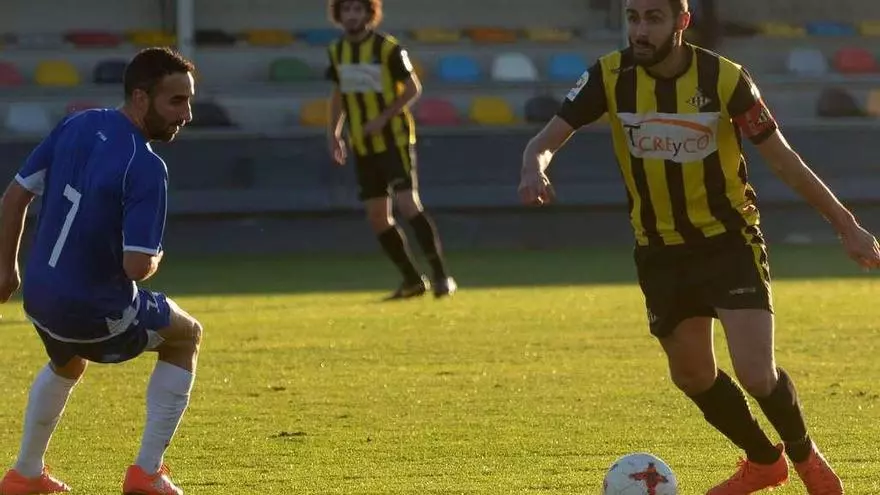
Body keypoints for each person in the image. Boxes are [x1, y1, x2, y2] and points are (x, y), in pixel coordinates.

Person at [518, 0, 880, 493]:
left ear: (682, 22)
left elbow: (784, 160)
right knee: (691, 375)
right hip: (660, 250)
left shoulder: (725, 79)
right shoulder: (608, 76)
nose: (640, 30)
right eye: (633, 18)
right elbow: (544, 139)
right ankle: (763, 462)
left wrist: (847, 226)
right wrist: (533, 167)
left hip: (728, 241)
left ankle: (805, 456)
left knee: (756, 372)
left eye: (653, 18)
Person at [0, 47, 202, 495]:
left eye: (189, 101)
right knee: (186, 335)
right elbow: (137, 266)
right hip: (93, 311)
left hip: (39, 299)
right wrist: (155, 256)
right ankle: (147, 472)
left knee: (66, 360)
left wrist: (6, 269)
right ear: (140, 97)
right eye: (176, 101)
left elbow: (13, 197)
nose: (186, 114)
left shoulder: (77, 124)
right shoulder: (146, 166)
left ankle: (25, 474)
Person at [325, 0, 457, 300]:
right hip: (362, 145)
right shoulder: (336, 51)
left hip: (394, 140)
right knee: (377, 216)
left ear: (369, 14)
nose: (352, 15)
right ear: (339, 15)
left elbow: (413, 88)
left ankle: (441, 276)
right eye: (346, 10)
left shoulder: (387, 48)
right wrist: (334, 133)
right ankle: (412, 280)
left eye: (358, 10)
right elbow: (338, 94)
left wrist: (383, 118)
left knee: (408, 203)